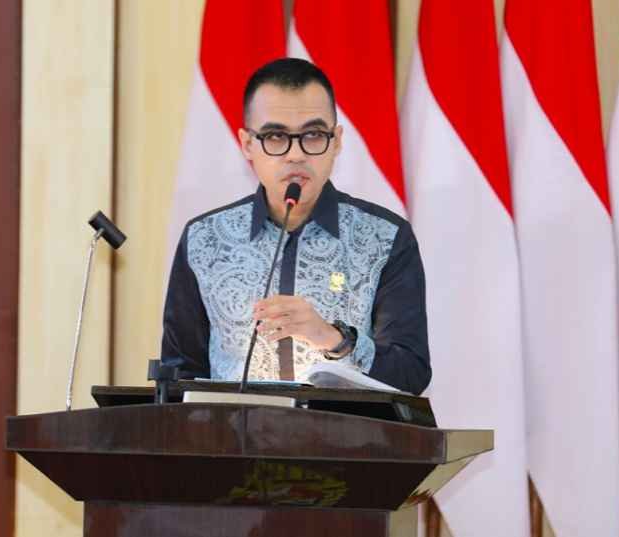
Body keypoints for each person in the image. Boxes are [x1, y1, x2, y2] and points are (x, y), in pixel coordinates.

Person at [161, 58, 430, 394]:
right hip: (232, 428)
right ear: (247, 144)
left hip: (346, 429)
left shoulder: (385, 237)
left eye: (313, 135)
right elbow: (178, 378)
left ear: (336, 141)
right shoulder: (205, 239)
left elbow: (411, 374)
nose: (295, 155)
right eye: (275, 136)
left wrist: (334, 339)